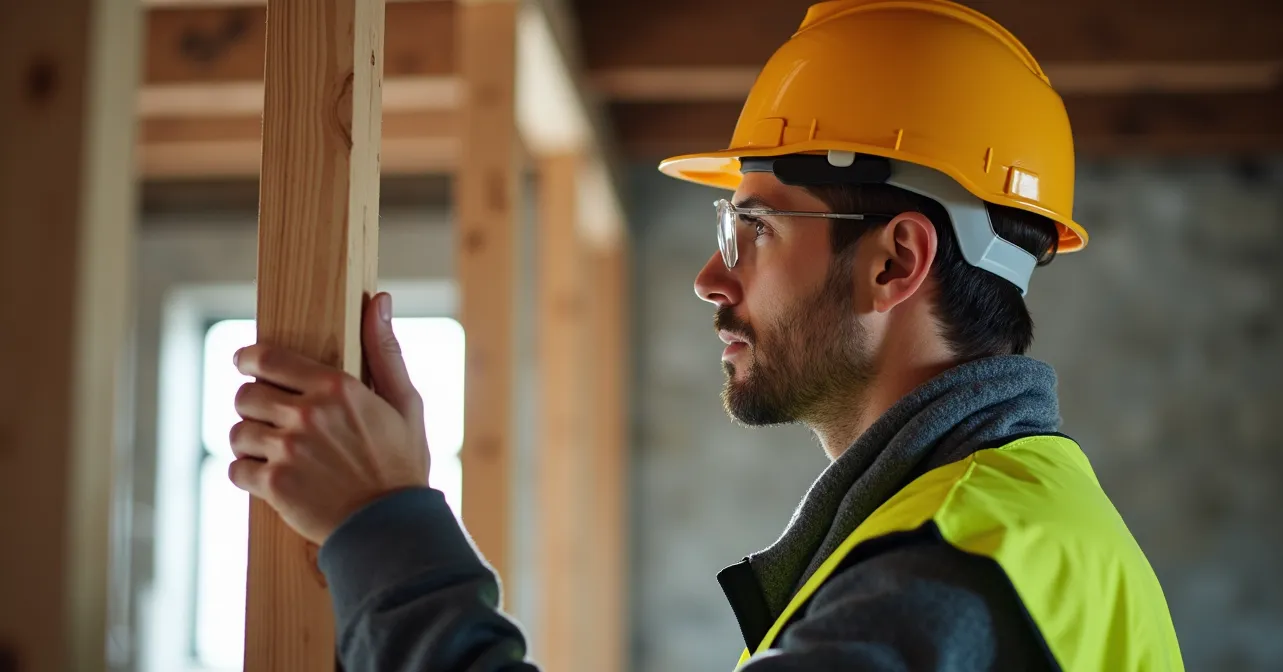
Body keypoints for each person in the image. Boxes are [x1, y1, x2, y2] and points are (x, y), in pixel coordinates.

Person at [228, 0, 1185, 669]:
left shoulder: (956, 572)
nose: (710, 279)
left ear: (896, 261)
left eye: (755, 229)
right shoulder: (1013, 531)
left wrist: (383, 527)